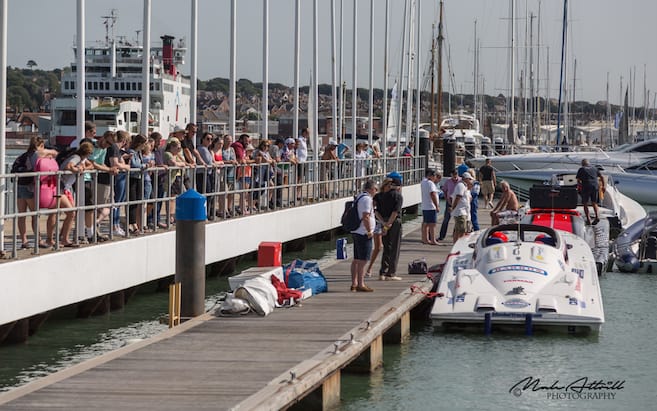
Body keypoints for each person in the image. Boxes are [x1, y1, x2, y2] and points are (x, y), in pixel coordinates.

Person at [350, 179, 378, 292]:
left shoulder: (360, 197)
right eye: (376, 189)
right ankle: (361, 284)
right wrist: (369, 231)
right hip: (363, 232)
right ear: (371, 189)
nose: (376, 192)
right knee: (363, 260)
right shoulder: (367, 199)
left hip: (357, 231)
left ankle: (354, 283)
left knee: (356, 259)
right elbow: (366, 216)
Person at [377, 172, 404, 281]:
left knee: (386, 247)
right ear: (398, 187)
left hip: (383, 221)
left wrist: (383, 223)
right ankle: (391, 273)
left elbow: (376, 212)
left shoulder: (379, 196)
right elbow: (395, 212)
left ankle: (382, 272)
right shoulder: (398, 196)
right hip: (394, 222)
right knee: (395, 247)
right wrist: (388, 224)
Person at [366, 178, 392, 277]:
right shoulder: (377, 197)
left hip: (380, 223)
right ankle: (368, 268)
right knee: (375, 246)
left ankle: (369, 267)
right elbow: (373, 211)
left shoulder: (390, 196)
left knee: (379, 247)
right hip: (376, 222)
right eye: (388, 186)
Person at [576, 158, 605, 225]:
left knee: (585, 203)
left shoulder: (581, 169)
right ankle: (597, 217)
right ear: (589, 163)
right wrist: (603, 186)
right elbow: (602, 177)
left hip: (586, 186)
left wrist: (579, 186)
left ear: (582, 164)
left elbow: (578, 180)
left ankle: (588, 219)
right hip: (595, 186)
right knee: (594, 202)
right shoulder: (595, 168)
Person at [438, 170, 461, 241]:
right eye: (453, 174)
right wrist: (446, 197)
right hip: (449, 202)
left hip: (458, 202)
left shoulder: (461, 181)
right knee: (446, 219)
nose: (455, 175)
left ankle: (455, 236)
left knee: (457, 220)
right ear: (451, 174)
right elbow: (444, 190)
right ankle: (442, 236)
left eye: (456, 174)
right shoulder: (448, 181)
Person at [451, 172, 474, 242]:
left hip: (465, 212)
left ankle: (457, 243)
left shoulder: (465, 187)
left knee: (460, 229)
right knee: (461, 230)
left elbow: (469, 199)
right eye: (469, 179)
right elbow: (458, 197)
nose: (471, 181)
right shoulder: (461, 185)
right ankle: (458, 244)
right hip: (460, 211)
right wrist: (453, 208)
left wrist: (470, 188)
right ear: (466, 179)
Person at [421, 169, 441, 245]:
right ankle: (433, 240)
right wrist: (437, 206)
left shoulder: (423, 182)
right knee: (432, 224)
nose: (435, 177)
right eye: (435, 176)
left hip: (425, 206)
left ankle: (425, 239)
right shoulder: (431, 184)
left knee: (425, 223)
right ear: (432, 176)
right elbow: (432, 194)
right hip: (431, 206)